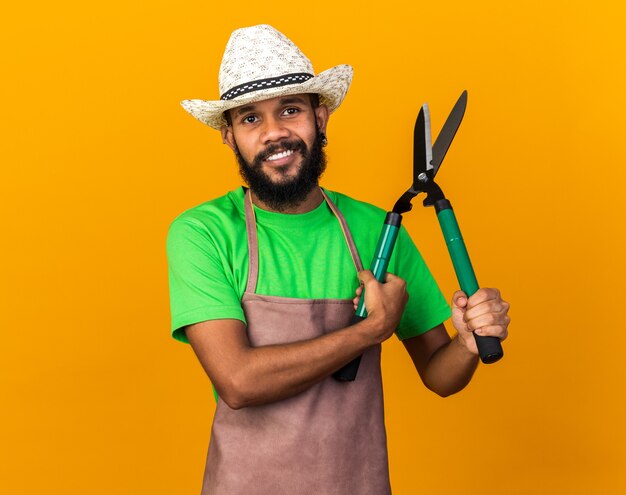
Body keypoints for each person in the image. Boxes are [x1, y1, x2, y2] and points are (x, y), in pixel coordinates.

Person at [167, 24, 510, 495]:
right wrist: (369, 331)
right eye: (250, 119)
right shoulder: (204, 233)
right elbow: (238, 381)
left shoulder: (376, 231)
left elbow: (440, 376)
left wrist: (469, 344)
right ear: (228, 136)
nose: (274, 133)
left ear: (320, 117)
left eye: (290, 110)